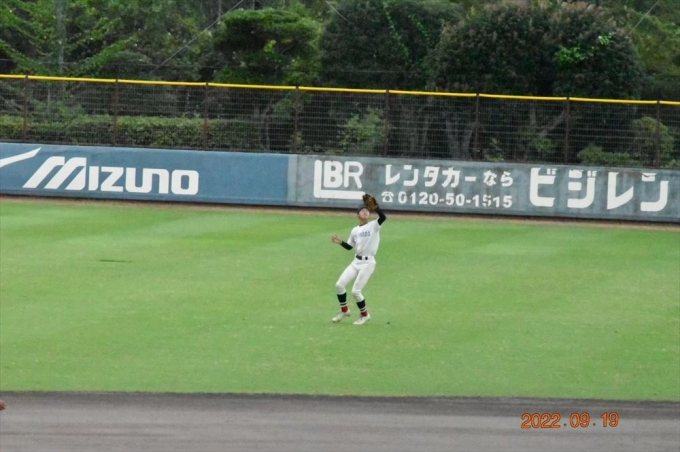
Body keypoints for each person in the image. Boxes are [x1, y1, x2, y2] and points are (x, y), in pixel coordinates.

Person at [331, 198, 387, 325]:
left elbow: (383, 217)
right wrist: (340, 242)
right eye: (362, 211)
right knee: (339, 285)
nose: (365, 212)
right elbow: (350, 247)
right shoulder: (355, 230)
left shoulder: (374, 225)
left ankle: (365, 315)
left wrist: (376, 208)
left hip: (368, 263)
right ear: (358, 214)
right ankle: (344, 310)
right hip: (356, 261)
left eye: (367, 210)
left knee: (356, 291)